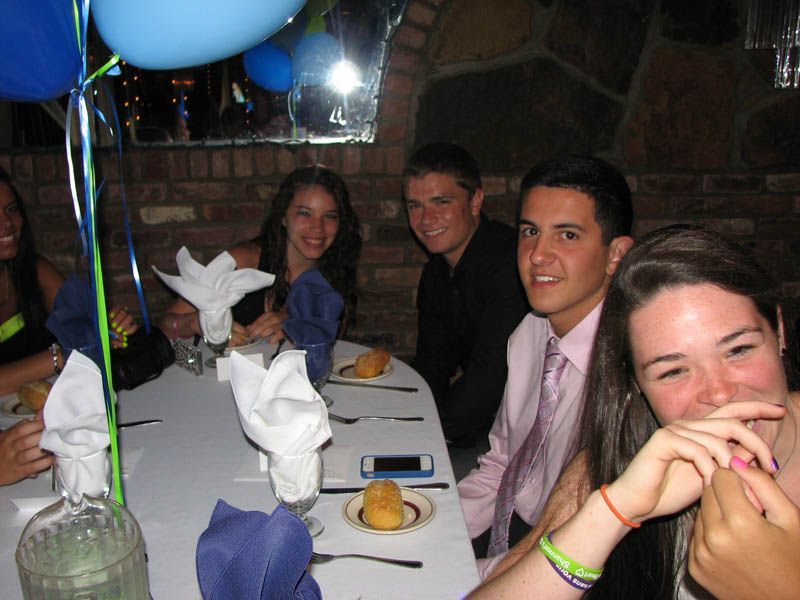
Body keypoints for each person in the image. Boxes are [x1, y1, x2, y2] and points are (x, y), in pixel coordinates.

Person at [470, 224, 800, 599]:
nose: (720, 394)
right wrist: (615, 511)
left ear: (779, 331)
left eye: (738, 350)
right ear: (637, 385)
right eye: (673, 371)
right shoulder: (621, 460)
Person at [458, 155, 634, 576]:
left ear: (616, 255)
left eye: (567, 235)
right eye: (530, 232)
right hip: (515, 528)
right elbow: (501, 460)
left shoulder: (629, 372)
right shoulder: (531, 332)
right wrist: (437, 527)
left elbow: (577, 545)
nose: (538, 255)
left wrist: (471, 580)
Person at [403, 143, 529, 448]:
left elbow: (494, 373)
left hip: (527, 430)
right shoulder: (436, 272)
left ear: (475, 201)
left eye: (441, 202)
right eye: (414, 206)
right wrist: (409, 418)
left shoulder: (511, 263)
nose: (425, 219)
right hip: (480, 423)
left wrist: (427, 431)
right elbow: (433, 362)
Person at [160, 165, 362, 345]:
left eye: (330, 216)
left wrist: (297, 324)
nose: (317, 227)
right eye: (304, 213)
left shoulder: (336, 275)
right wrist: (197, 322)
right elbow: (166, 326)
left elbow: (331, 349)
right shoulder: (242, 261)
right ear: (283, 216)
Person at [0, 167, 136, 397]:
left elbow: (85, 323)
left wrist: (112, 327)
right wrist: (60, 356)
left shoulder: (34, 271)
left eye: (10, 210)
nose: (7, 224)